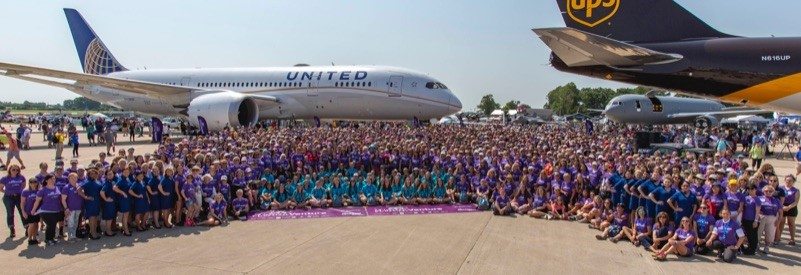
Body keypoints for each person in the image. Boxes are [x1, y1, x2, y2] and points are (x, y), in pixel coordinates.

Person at [31, 175, 64, 246]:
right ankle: (48, 239)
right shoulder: (42, 190)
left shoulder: (56, 188)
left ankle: (52, 238)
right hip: (46, 211)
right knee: (50, 224)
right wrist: (33, 210)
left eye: (54, 179)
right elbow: (37, 201)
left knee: (54, 225)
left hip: (56, 210)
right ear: (46, 180)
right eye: (51, 179)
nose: (53, 180)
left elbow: (60, 199)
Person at [1, 164, 26, 238]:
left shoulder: (21, 177)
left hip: (19, 196)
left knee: (22, 211)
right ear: (10, 170)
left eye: (17, 170)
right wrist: (8, 192)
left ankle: (27, 227)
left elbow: (23, 185)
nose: (15, 171)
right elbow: (1, 188)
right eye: (13, 169)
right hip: (9, 197)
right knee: (10, 213)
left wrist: (18, 191)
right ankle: (12, 229)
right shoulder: (5, 178)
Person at [60, 173, 86, 242]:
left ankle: (74, 236)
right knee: (70, 223)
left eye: (75, 178)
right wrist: (66, 208)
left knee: (76, 222)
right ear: (69, 179)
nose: (74, 179)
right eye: (72, 178)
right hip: (70, 208)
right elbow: (63, 200)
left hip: (78, 207)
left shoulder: (78, 186)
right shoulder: (66, 187)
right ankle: (70, 237)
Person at [757, 185, 781, 254]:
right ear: (763, 191)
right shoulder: (759, 198)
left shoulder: (776, 200)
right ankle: (757, 244)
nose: (768, 192)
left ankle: (766, 246)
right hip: (761, 217)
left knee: (770, 233)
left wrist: (779, 220)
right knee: (759, 231)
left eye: (770, 191)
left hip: (772, 218)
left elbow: (780, 211)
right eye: (766, 191)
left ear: (773, 192)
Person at [81, 168, 102, 240]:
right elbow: (78, 189)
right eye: (92, 174)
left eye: (95, 173)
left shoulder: (98, 181)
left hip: (97, 202)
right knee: (92, 218)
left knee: (95, 217)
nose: (94, 175)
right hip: (91, 203)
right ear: (89, 175)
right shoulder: (87, 182)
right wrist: (85, 197)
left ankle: (94, 232)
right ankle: (92, 233)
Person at [778, 174, 798, 246]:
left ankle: (792, 239)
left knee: (791, 223)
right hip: (782, 206)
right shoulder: (781, 188)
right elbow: (778, 198)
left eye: (790, 181)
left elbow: (796, 201)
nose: (788, 182)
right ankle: (778, 237)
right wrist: (782, 206)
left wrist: (789, 207)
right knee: (781, 222)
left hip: (791, 207)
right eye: (787, 180)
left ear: (793, 181)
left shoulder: (796, 190)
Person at [741, 183, 761, 255]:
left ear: (755, 190)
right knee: (747, 235)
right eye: (748, 189)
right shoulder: (746, 198)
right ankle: (747, 249)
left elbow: (757, 211)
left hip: (752, 220)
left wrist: (756, 221)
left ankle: (752, 250)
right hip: (745, 219)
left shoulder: (757, 199)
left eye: (752, 189)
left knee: (752, 235)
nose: (750, 190)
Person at [20, 178, 40, 245]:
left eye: (35, 182)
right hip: (29, 211)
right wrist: (23, 211)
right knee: (31, 225)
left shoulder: (39, 191)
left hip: (37, 211)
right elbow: (22, 202)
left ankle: (34, 238)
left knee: (36, 225)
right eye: (31, 183)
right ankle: (29, 239)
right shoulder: (25, 192)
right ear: (29, 184)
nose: (33, 184)